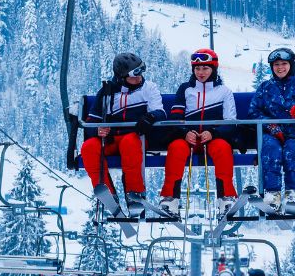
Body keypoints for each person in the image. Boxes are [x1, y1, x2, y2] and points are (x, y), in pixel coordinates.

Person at [80, 52, 166, 214]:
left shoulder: (148, 88)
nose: (139, 79)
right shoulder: (107, 93)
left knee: (130, 143)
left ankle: (134, 194)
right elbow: (91, 122)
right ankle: (107, 193)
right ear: (121, 76)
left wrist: (150, 117)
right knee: (89, 147)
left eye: (141, 73)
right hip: (111, 139)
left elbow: (160, 111)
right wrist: (98, 130)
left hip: (135, 137)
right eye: (135, 75)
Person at [158, 48, 239, 215]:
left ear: (213, 69)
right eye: (197, 68)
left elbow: (230, 122)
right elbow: (176, 117)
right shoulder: (186, 89)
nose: (201, 72)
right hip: (188, 138)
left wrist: (213, 133)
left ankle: (226, 198)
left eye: (205, 68)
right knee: (176, 149)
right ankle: (170, 198)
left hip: (213, 138)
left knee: (223, 149)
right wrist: (185, 132)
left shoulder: (224, 92)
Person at [248, 48, 295, 210]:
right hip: (270, 134)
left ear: (291, 65)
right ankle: (272, 193)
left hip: (294, 133)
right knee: (270, 148)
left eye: (284, 64)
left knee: (293, 149)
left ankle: (291, 192)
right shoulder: (266, 87)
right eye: (276, 64)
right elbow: (254, 111)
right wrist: (271, 126)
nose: (280, 68)